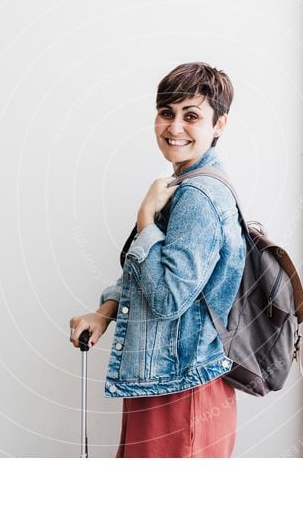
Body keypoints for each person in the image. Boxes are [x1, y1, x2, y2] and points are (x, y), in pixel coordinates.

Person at [68, 62, 246, 458]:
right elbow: (151, 278)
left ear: (219, 125)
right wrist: (106, 312)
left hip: (182, 393)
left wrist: (145, 218)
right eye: (167, 113)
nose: (175, 127)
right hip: (168, 382)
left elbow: (167, 299)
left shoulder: (197, 197)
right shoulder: (183, 186)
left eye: (192, 116)